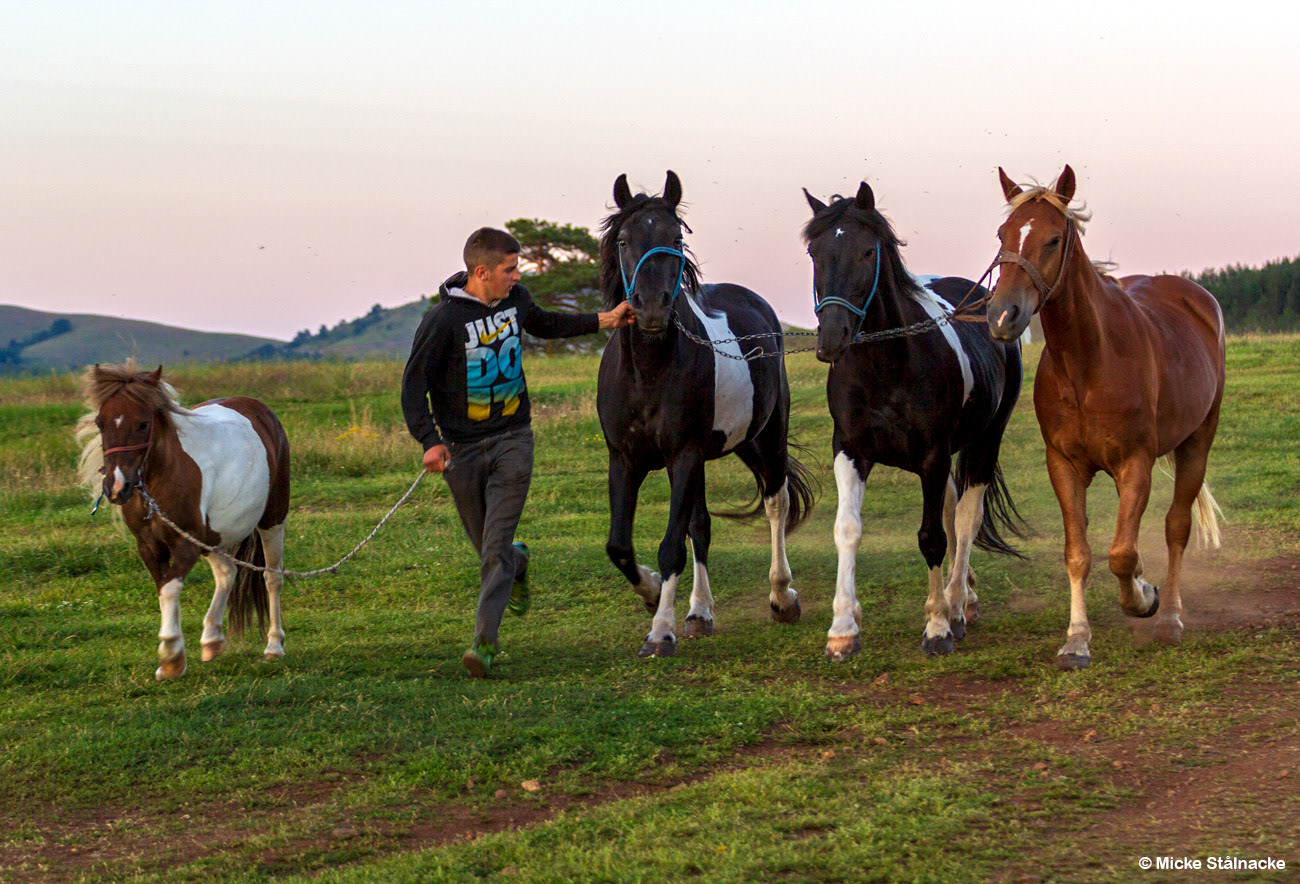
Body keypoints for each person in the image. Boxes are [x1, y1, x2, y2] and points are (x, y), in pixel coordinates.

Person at [401, 226, 634, 677]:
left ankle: (483, 644)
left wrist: (606, 319)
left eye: (517, 269)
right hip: (461, 451)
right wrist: (429, 441)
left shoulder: (516, 299)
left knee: (492, 551)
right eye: (509, 270)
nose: (516, 277)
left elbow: (545, 324)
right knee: (492, 550)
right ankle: (518, 559)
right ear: (482, 271)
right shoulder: (442, 320)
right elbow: (414, 387)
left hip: (513, 440)